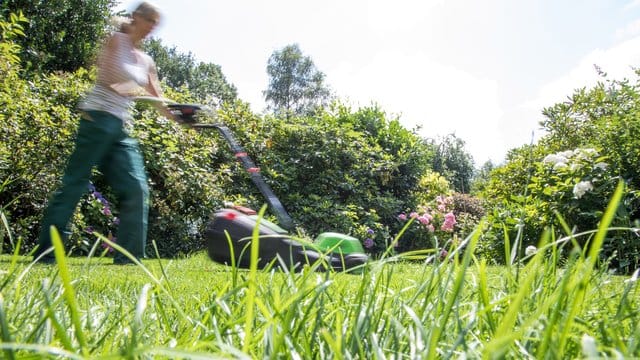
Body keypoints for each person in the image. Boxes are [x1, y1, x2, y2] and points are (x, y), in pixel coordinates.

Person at [34, 2, 181, 264]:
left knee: (136, 188)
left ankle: (129, 258)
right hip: (97, 119)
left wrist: (181, 116)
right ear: (136, 17)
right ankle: (48, 252)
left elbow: (157, 98)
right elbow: (111, 77)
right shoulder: (116, 40)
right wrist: (138, 94)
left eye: (155, 24)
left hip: (122, 128)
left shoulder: (147, 60)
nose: (151, 28)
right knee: (75, 183)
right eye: (149, 21)